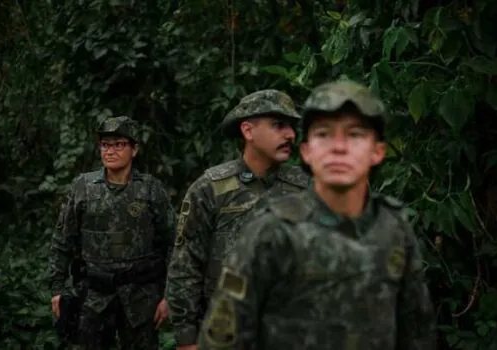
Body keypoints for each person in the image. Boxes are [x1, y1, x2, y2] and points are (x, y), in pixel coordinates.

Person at [198, 80, 437, 349]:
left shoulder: (393, 227)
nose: (339, 147)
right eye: (324, 134)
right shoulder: (272, 231)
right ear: (307, 152)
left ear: (378, 151)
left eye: (355, 134)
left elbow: (417, 333)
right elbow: (222, 339)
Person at [165, 90, 310, 350]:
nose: (290, 134)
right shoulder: (211, 188)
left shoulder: (306, 187)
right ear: (248, 131)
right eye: (278, 125)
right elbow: (185, 266)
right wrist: (186, 338)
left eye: (291, 126)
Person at [49, 116, 176, 349]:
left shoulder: (150, 189)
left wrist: (169, 296)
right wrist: (57, 289)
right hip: (94, 295)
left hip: (140, 296)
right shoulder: (83, 187)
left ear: (134, 149)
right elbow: (63, 240)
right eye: (105, 145)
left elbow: (173, 244)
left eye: (119, 144)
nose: (110, 151)